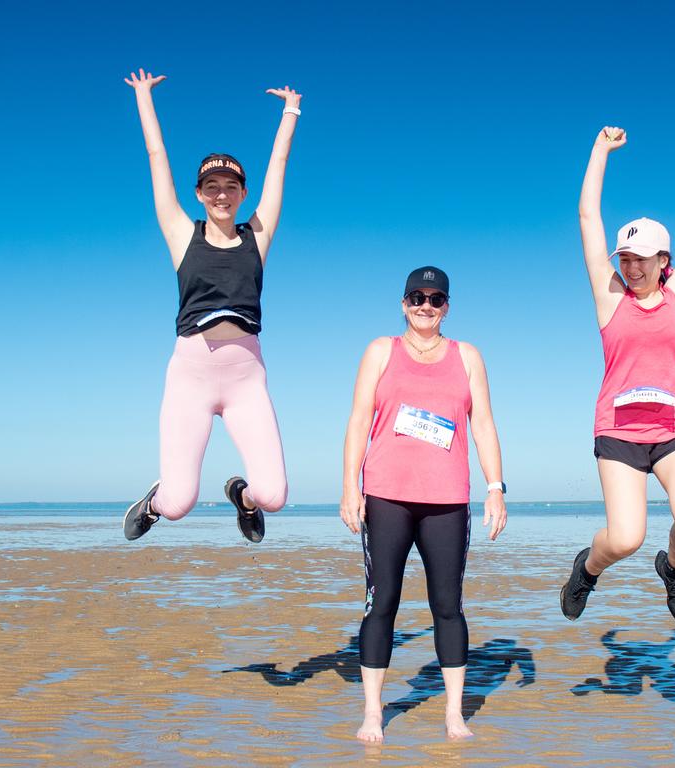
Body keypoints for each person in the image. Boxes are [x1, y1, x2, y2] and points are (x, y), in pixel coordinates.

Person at [120, 68, 302, 543]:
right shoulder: (183, 235)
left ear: (242, 193)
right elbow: (156, 157)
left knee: (274, 495)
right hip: (191, 376)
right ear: (200, 195)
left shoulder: (256, 238)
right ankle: (155, 502)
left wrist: (291, 110)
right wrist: (143, 97)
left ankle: (240, 496)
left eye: (231, 187)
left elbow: (279, 166)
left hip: (246, 378)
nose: (222, 194)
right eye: (212, 187)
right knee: (179, 504)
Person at [561, 121, 675, 625]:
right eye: (624, 258)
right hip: (619, 430)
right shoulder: (609, 297)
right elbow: (587, 214)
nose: (630, 268)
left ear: (663, 259)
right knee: (625, 537)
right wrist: (599, 150)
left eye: (640, 259)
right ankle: (586, 572)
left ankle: (673, 570)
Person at [340, 266, 508, 743]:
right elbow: (358, 421)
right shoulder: (379, 351)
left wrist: (495, 486)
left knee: (448, 607)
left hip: (447, 501)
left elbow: (484, 425)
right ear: (403, 302)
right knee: (381, 604)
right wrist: (350, 487)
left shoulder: (467, 356)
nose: (425, 307)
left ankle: (454, 714)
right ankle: (373, 712)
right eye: (417, 297)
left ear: (447, 307)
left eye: (435, 299)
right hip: (387, 495)